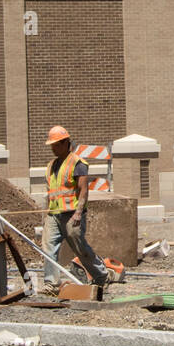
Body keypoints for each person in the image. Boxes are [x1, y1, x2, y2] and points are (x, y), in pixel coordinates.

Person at [40, 125, 121, 295]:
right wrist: (46, 212)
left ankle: (101, 275)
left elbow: (83, 190)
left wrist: (78, 213)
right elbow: (51, 192)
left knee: (80, 248)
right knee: (48, 248)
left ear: (64, 143)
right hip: (54, 214)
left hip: (72, 215)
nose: (52, 148)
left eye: (55, 145)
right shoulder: (51, 165)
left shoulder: (77, 164)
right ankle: (51, 284)